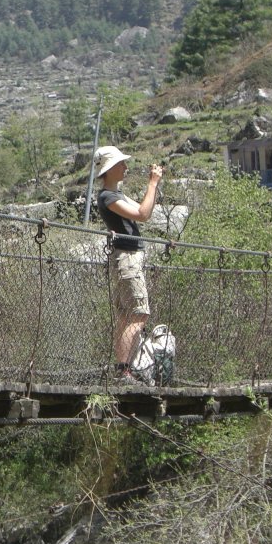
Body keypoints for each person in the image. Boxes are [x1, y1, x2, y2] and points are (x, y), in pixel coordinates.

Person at [94, 145, 163, 381]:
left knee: (127, 317)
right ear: (110, 168)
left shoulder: (117, 195)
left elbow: (144, 211)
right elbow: (142, 215)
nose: (125, 167)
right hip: (127, 260)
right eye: (121, 164)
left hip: (129, 259)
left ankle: (125, 368)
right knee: (139, 314)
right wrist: (152, 184)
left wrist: (153, 186)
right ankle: (123, 369)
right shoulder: (108, 197)